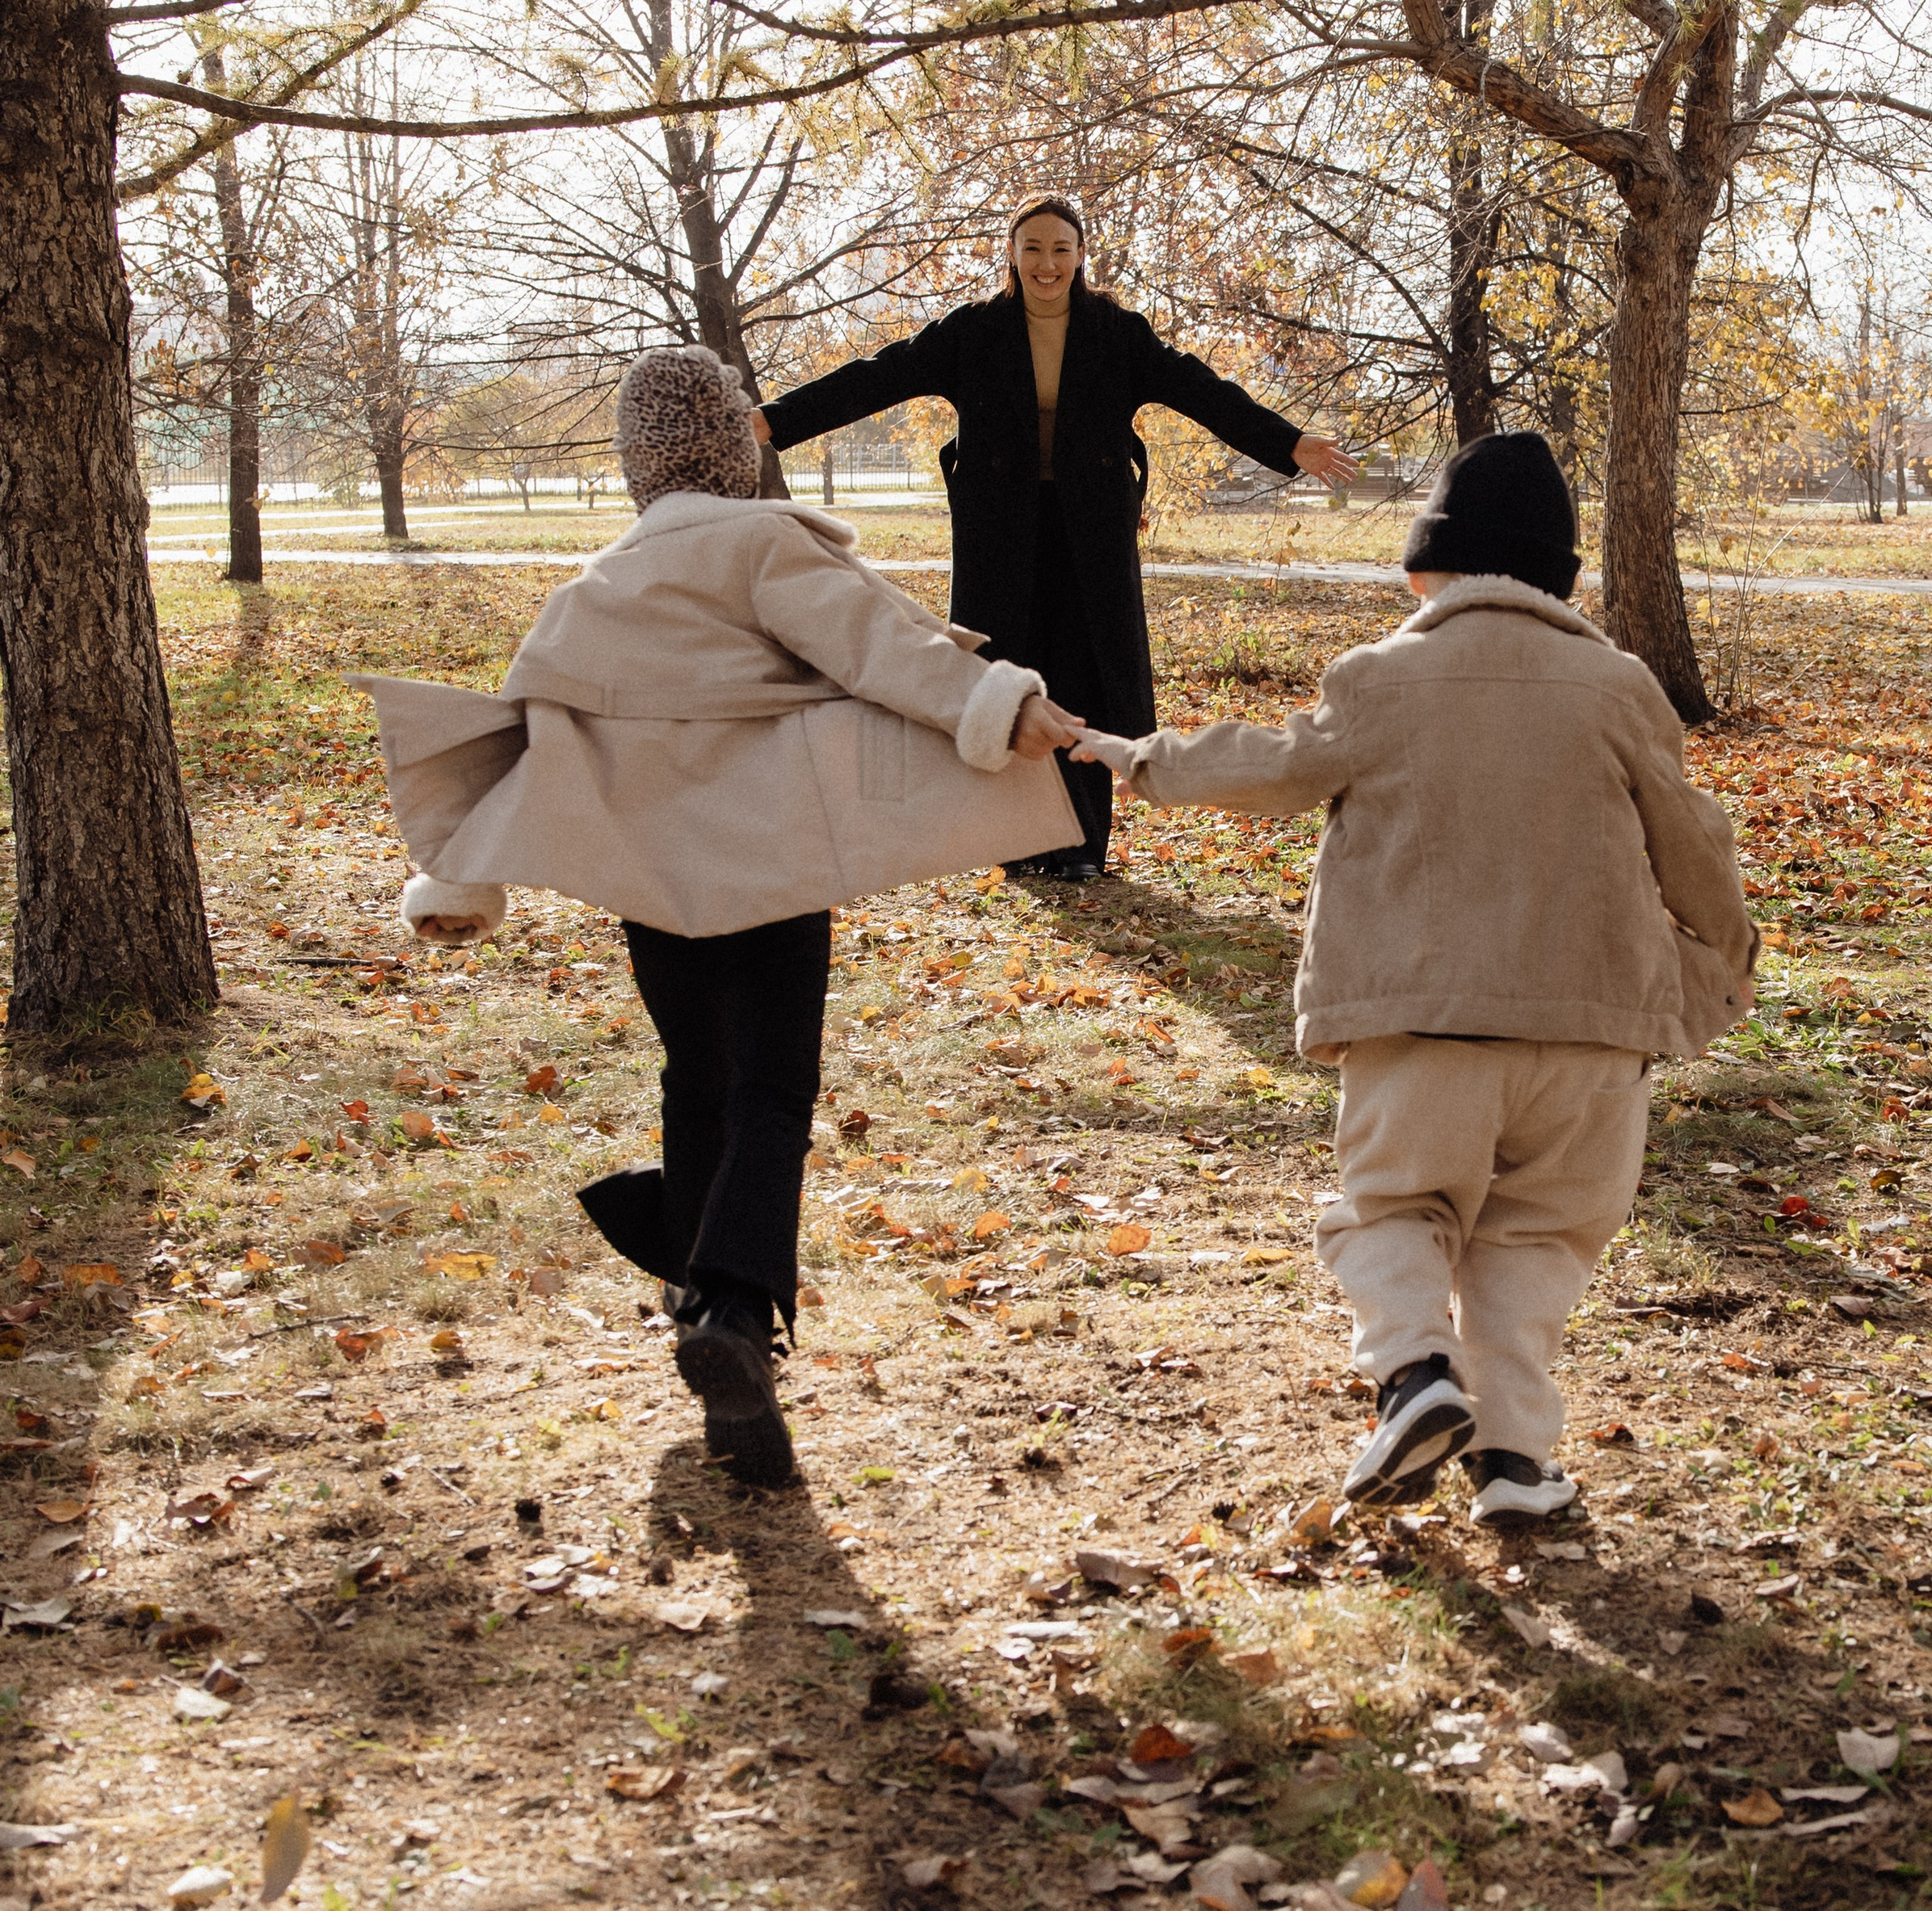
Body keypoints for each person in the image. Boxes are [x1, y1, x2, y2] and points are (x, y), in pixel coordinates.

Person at [363, 345, 1082, 1489]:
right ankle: (735, 1308)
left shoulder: (594, 589)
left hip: (655, 884)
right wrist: (1008, 705)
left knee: (697, 1076)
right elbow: (884, 650)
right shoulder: (765, 546)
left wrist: (461, 881)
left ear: (637, 467)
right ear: (742, 441)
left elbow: (521, 736)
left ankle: (696, 1293)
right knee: (770, 1086)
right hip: (772, 864)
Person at [1069, 430, 1758, 1522]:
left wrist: (1137, 755)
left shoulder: (1385, 676)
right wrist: (1721, 971)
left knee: (1390, 1209)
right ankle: (1516, 1465)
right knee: (1535, 1242)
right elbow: (1695, 844)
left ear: (1425, 571)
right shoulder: (1622, 686)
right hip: (1593, 1033)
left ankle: (1414, 1376)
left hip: (1421, 1017)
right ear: (1559, 581)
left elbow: (1276, 763)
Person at [756, 192, 1358, 880]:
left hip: (1091, 529)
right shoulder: (972, 331)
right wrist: (774, 421)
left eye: (1061, 250)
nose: (1047, 263)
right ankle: (1016, 841)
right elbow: (875, 379)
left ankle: (1079, 847)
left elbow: (1202, 389)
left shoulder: (1115, 331)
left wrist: (1289, 443)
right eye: (1034, 247)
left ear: (1079, 257)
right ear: (1012, 253)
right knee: (1008, 672)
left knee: (1085, 674)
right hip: (999, 531)